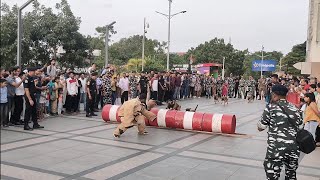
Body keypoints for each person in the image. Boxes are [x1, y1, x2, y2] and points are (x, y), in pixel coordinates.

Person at [257, 85, 303, 180]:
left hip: (276, 150)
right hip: (293, 149)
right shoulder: (296, 109)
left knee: (272, 175)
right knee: (291, 176)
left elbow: (261, 127)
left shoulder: (270, 108)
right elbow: (301, 127)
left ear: (274, 95)